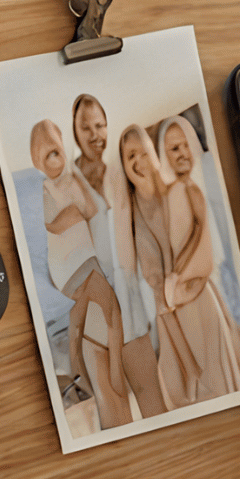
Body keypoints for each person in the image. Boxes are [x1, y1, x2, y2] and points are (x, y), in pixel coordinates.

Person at [121, 119, 240, 408]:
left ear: (155, 153)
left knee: (227, 384)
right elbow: (157, 286)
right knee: (197, 395)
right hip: (174, 316)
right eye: (129, 157)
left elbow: (203, 246)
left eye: (142, 151)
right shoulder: (136, 214)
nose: (138, 161)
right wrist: (186, 362)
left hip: (202, 299)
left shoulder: (182, 190)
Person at [70, 92, 167, 424]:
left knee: (152, 399)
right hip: (96, 307)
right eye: (87, 127)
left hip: (129, 302)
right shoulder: (67, 182)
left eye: (101, 125)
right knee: (115, 417)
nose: (96, 134)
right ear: (75, 130)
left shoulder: (119, 172)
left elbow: (151, 207)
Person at [28, 117, 127, 409]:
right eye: (45, 155)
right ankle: (116, 372)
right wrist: (73, 211)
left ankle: (79, 376)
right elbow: (53, 225)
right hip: (68, 263)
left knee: (79, 317)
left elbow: (92, 208)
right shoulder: (45, 188)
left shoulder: (72, 180)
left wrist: (75, 204)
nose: (53, 159)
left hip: (86, 257)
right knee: (110, 305)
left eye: (56, 150)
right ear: (38, 163)